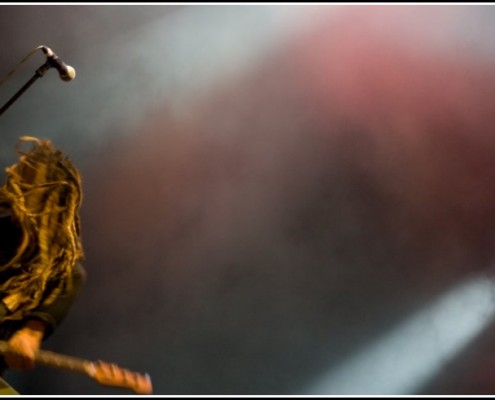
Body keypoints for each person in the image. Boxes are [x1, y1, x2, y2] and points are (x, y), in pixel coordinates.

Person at [0, 136, 86, 373]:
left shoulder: (66, 274)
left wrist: (23, 345)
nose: (11, 185)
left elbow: (30, 335)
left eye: (23, 184)